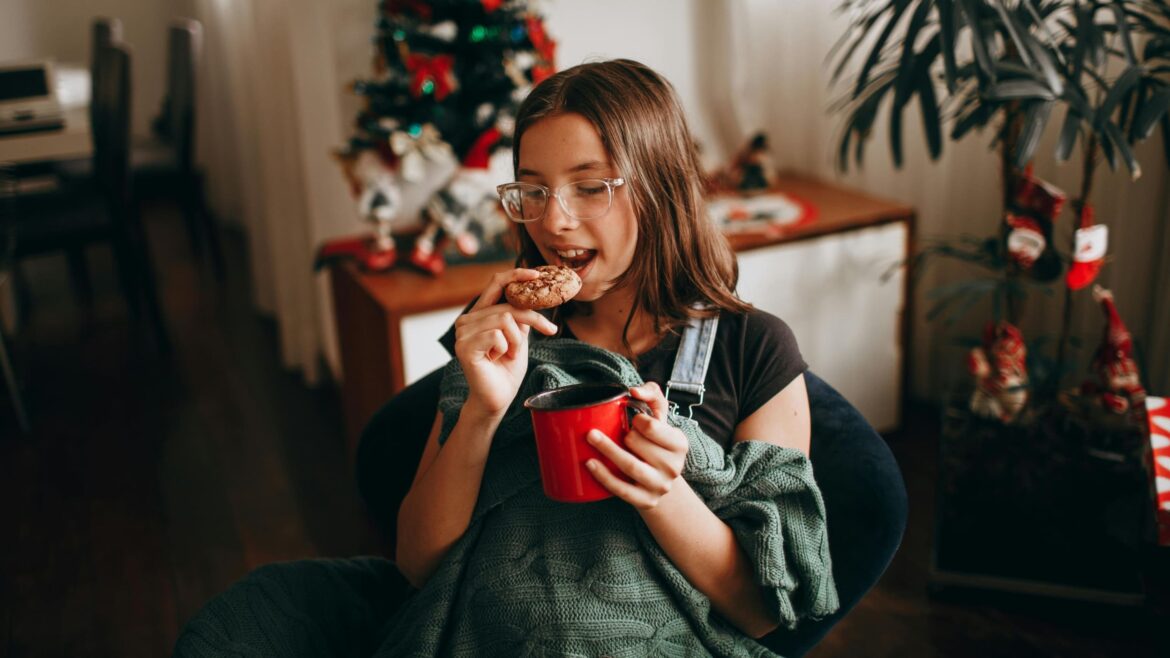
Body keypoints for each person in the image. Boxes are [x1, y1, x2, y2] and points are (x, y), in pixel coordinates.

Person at [174, 59, 836, 658]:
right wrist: (482, 413)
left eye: (589, 187)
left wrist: (665, 494)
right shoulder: (503, 331)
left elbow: (761, 612)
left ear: (660, 186)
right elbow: (416, 562)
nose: (553, 222)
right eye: (533, 191)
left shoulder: (754, 349)